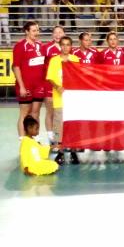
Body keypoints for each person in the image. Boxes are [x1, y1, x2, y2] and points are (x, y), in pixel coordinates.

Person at [46, 36, 80, 165]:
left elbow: (80, 76)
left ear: (71, 46)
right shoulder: (54, 61)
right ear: (60, 46)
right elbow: (50, 77)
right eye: (63, 45)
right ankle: (60, 153)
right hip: (59, 99)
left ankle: (73, 151)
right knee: (59, 126)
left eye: (68, 45)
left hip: (73, 100)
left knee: (73, 125)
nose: (65, 47)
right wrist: (57, 86)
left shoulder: (75, 60)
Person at [13, 21, 46, 137]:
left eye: (37, 30)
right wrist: (21, 86)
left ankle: (34, 140)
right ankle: (23, 140)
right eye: (34, 30)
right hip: (25, 85)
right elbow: (16, 67)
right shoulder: (20, 46)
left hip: (39, 85)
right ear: (26, 32)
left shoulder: (40, 46)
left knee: (35, 113)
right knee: (24, 113)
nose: (36, 33)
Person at [42, 25, 65, 144]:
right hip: (50, 84)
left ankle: (62, 136)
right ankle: (51, 137)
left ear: (64, 34)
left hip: (63, 87)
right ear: (52, 35)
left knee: (62, 112)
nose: (57, 35)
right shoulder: (46, 48)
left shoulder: (67, 48)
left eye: (60, 32)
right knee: (50, 111)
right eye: (55, 32)